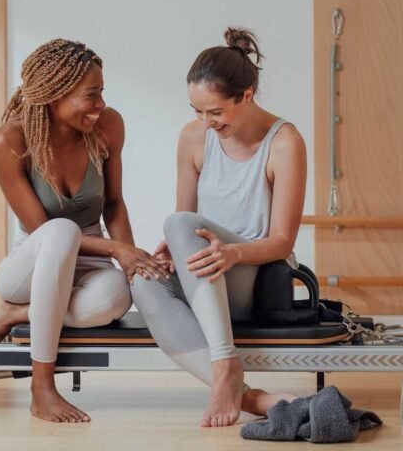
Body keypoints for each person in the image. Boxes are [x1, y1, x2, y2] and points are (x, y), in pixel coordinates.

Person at [0, 39, 168, 423]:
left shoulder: (108, 126)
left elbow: (113, 204)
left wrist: (130, 262)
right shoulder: (10, 140)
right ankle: (41, 388)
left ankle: (16, 316)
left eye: (102, 93)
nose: (101, 106)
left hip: (89, 263)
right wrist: (115, 250)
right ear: (54, 94)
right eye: (91, 95)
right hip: (32, 263)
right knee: (61, 230)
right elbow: (42, 230)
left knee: (115, 299)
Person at [131, 27, 308, 427]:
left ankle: (226, 361)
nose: (206, 122)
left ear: (245, 96)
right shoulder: (193, 137)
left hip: (252, 273)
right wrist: (172, 252)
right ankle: (245, 393)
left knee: (180, 225)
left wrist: (231, 253)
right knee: (142, 282)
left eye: (215, 112)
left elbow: (282, 242)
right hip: (206, 274)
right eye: (197, 111)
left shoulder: (285, 143)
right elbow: (185, 220)